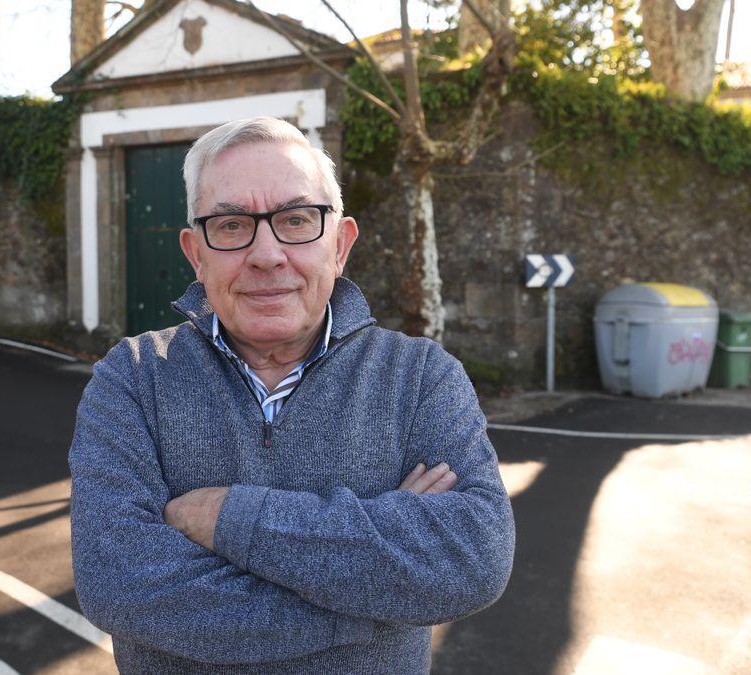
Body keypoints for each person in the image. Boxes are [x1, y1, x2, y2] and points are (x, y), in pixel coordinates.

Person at [68, 116, 515, 674]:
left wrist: (229, 517)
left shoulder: (421, 378)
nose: (267, 254)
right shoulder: (133, 377)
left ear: (340, 244)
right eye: (231, 225)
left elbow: (474, 560)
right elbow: (119, 582)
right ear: (195, 254)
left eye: (296, 219)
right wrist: (387, 597)